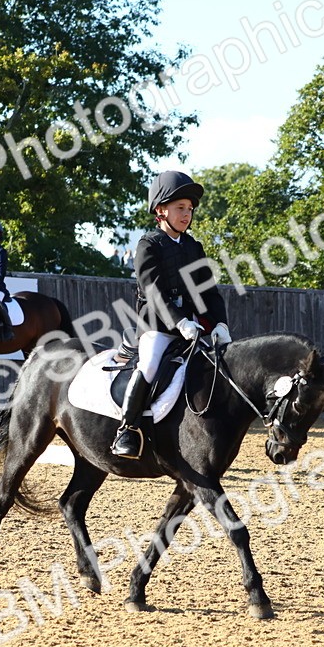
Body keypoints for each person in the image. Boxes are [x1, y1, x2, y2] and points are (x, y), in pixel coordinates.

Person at [111, 170, 231, 459]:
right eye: (180, 208)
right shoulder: (148, 245)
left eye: (189, 209)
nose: (187, 214)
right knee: (150, 365)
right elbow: (152, 291)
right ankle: (127, 429)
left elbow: (207, 291)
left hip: (192, 327)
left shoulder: (193, 247)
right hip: (157, 326)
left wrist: (220, 323)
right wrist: (179, 321)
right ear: (161, 210)